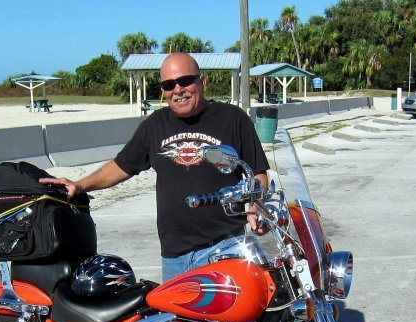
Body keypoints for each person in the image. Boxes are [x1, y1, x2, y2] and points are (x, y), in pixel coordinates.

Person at [41, 52, 269, 281]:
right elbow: (122, 165)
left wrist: (256, 205)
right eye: (169, 85)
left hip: (226, 247)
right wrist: (80, 185)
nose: (177, 90)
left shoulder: (233, 119)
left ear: (202, 81)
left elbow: (258, 174)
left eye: (185, 81)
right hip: (176, 257)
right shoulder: (155, 125)